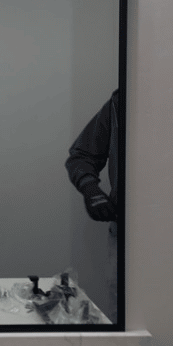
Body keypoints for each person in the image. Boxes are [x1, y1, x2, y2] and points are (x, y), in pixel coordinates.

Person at [65, 88, 120, 322]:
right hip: (127, 236)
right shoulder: (121, 103)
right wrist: (91, 189)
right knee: (125, 316)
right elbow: (82, 156)